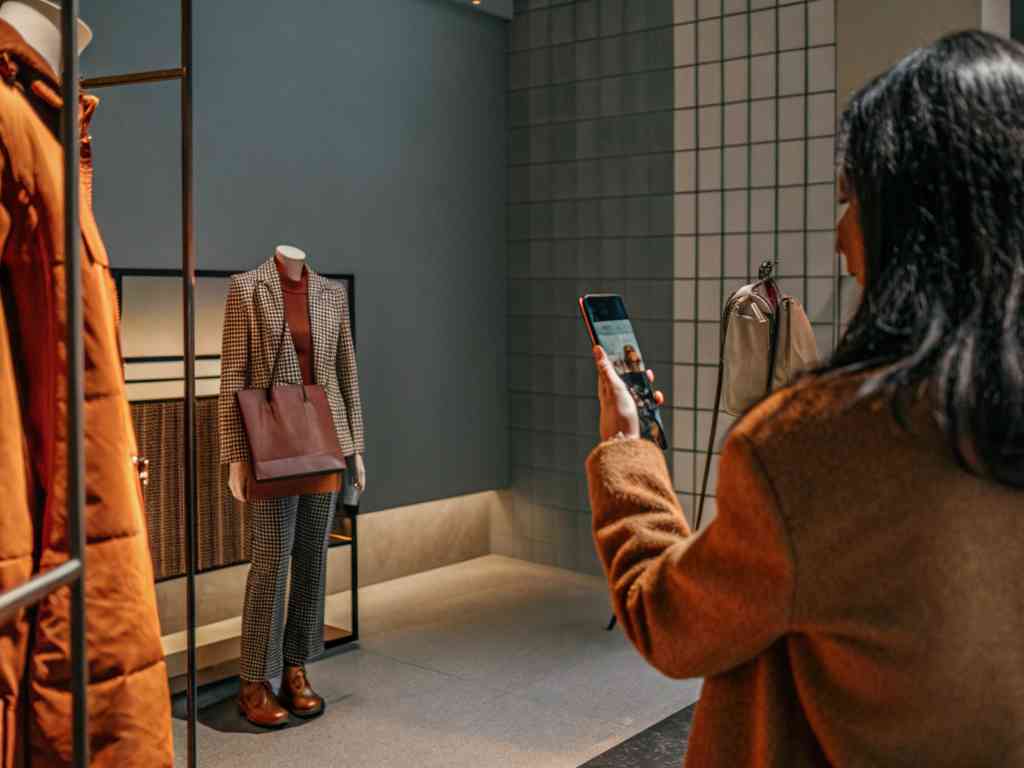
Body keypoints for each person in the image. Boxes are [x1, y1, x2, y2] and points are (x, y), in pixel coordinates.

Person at [585, 30, 1024, 767]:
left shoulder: (819, 448)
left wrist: (628, 452)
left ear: (909, 219)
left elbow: (669, 619)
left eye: (850, 198)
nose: (839, 236)